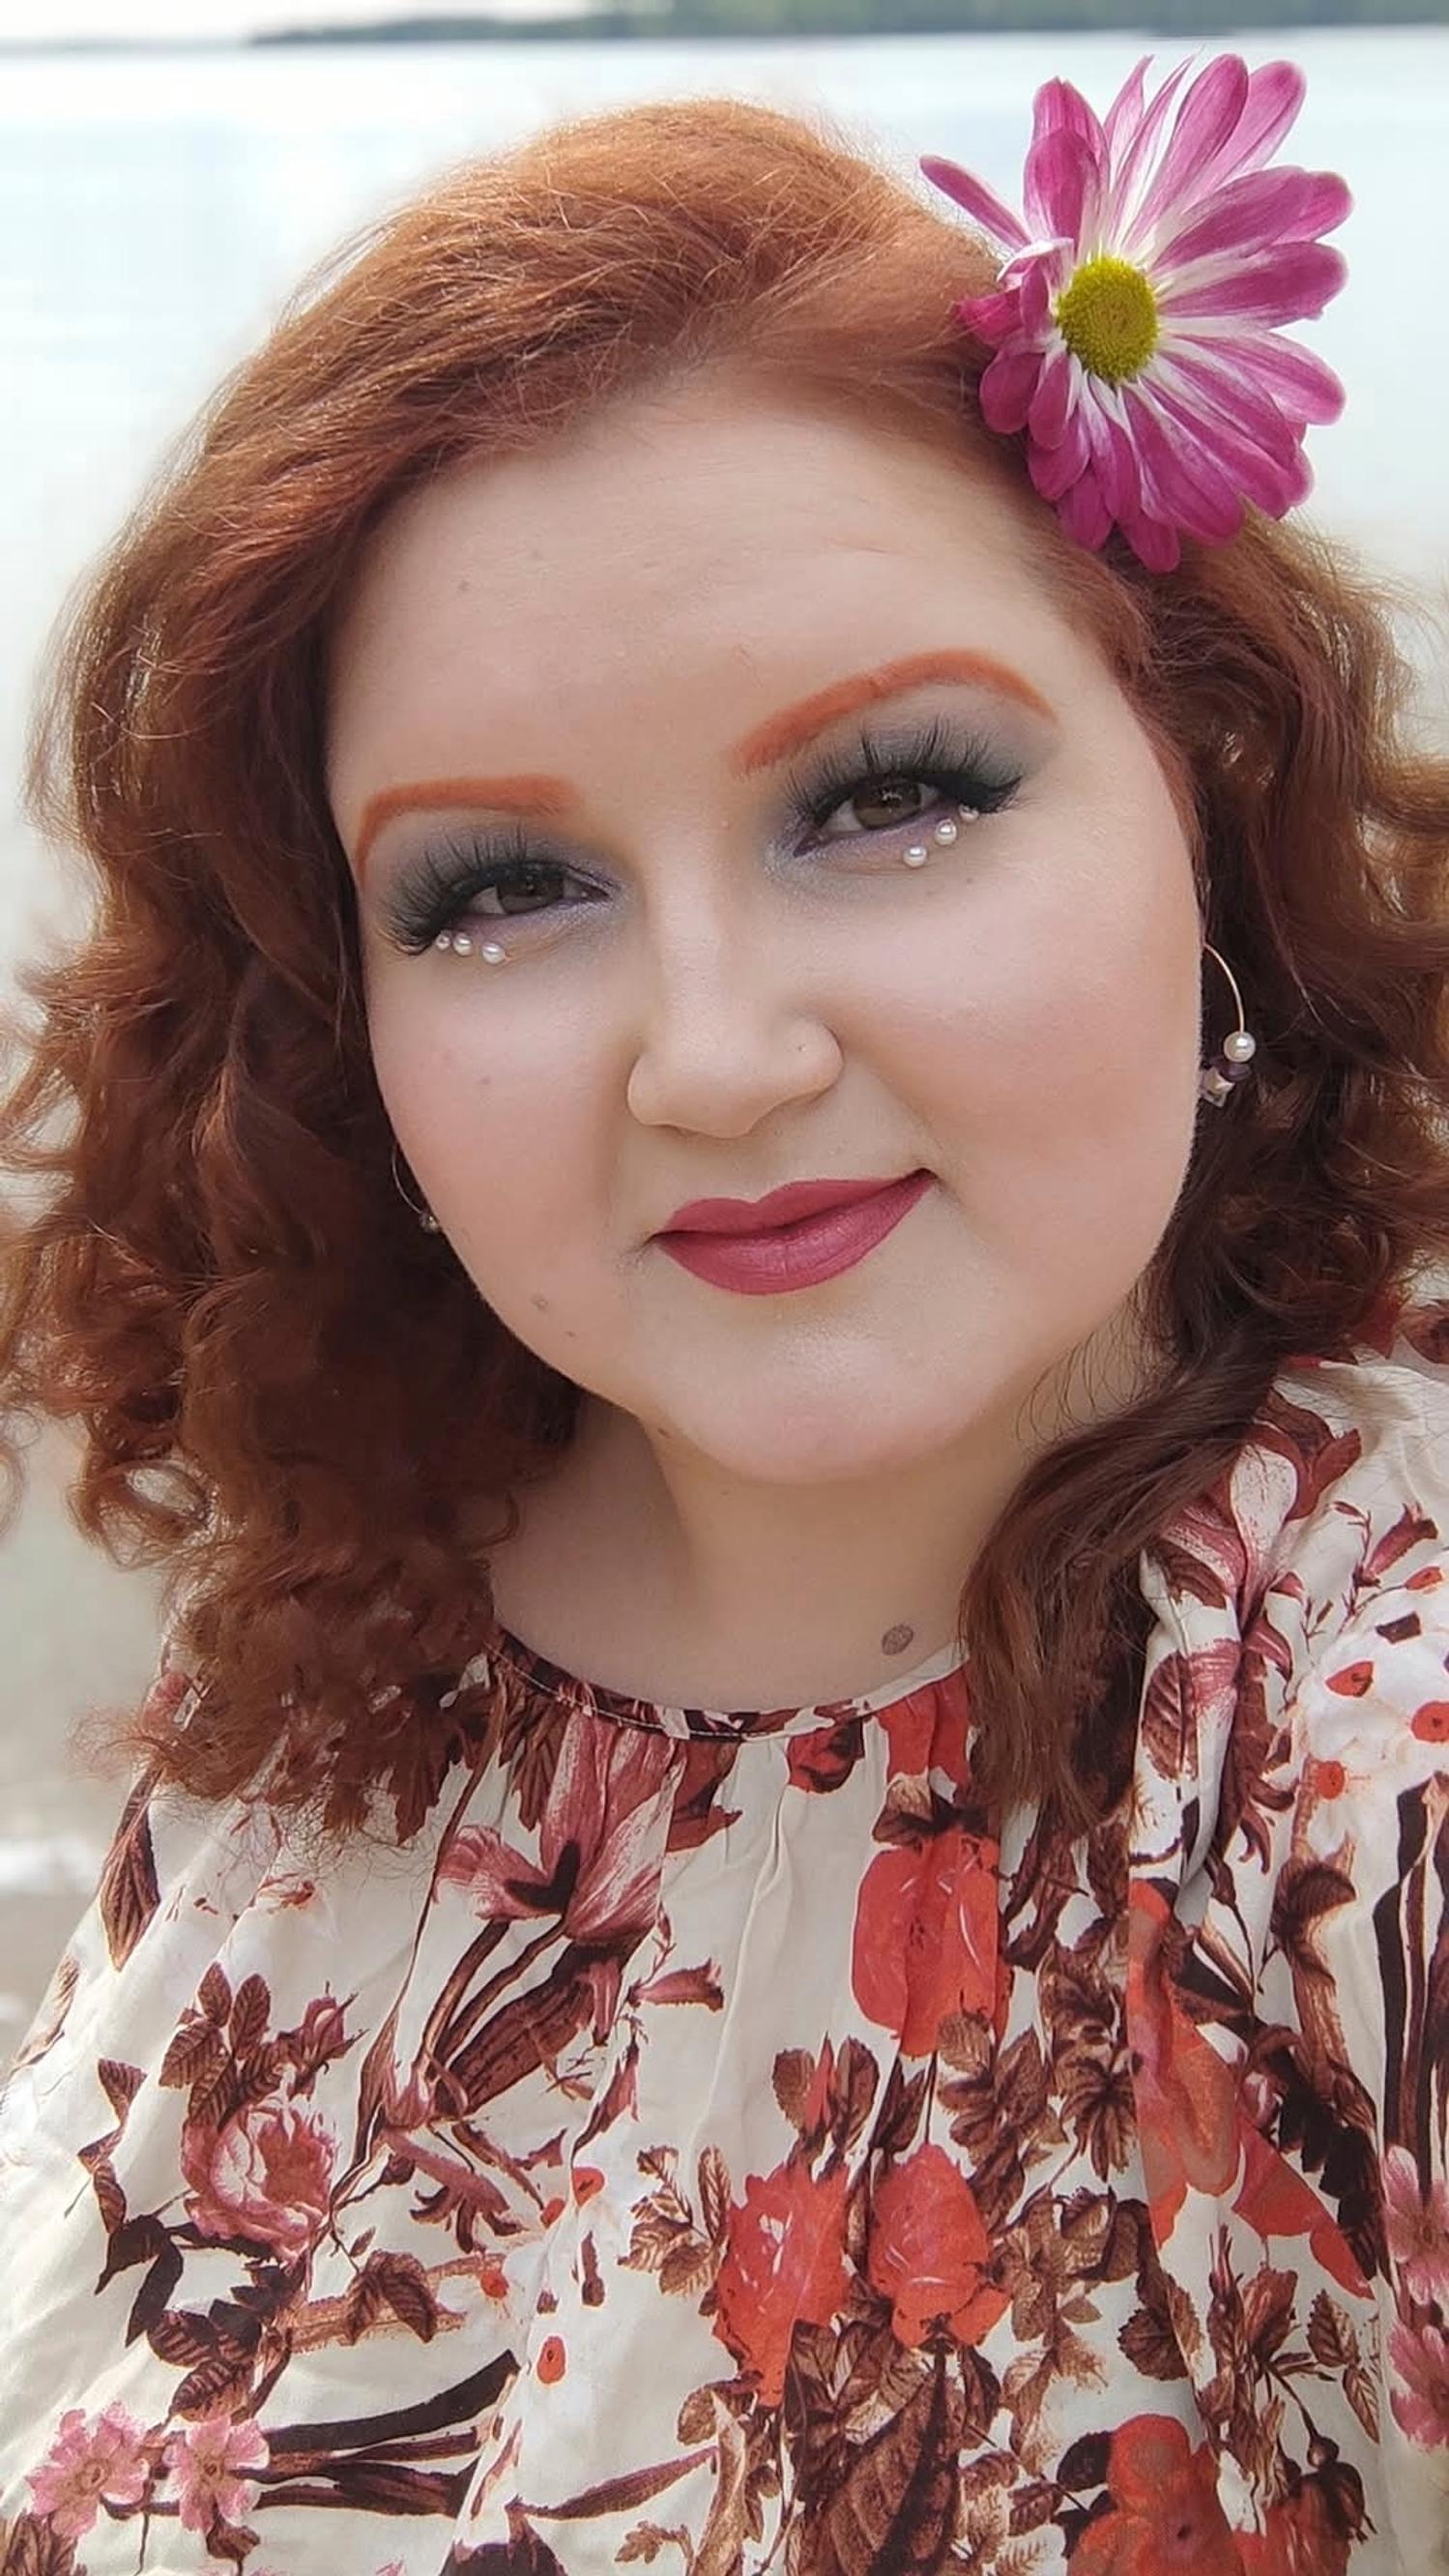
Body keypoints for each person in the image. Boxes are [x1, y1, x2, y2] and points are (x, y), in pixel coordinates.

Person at [0, 55, 1444, 2576]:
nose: (714, 1054)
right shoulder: (355, 1641)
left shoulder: (1359, 1731)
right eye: (495, 891)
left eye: (888, 796)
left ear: (1204, 804)